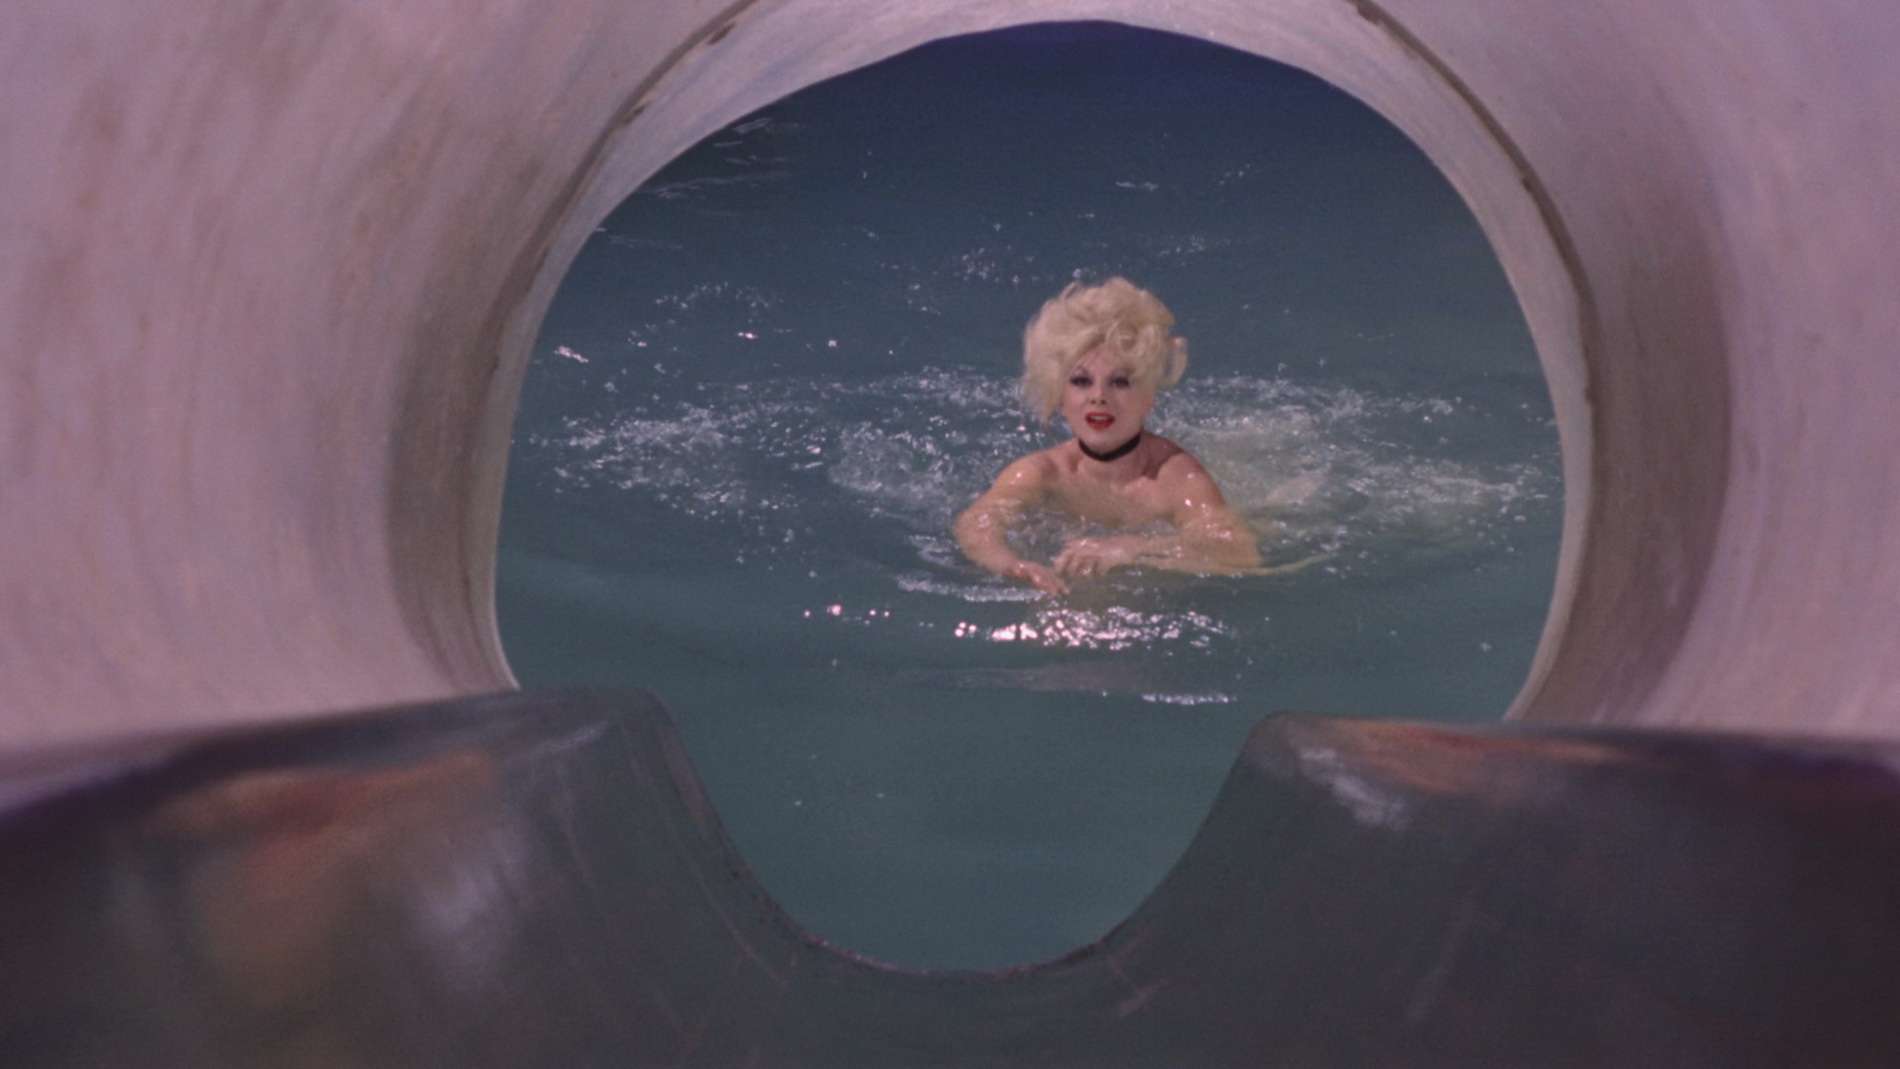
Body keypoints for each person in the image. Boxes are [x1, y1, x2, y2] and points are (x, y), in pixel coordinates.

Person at [955, 277, 1266, 596]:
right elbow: (976, 524)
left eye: (1119, 382)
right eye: (1081, 381)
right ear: (1059, 395)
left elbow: (1240, 553)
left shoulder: (1176, 478)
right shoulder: (1042, 473)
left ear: (1148, 397)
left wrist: (1135, 548)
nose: (1098, 397)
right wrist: (1011, 565)